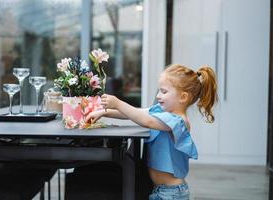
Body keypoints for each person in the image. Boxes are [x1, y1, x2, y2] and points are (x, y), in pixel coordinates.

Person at [86, 64, 218, 200]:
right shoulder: (162, 112)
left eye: (164, 92)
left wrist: (118, 103)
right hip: (160, 190)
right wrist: (103, 112)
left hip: (171, 193)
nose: (159, 96)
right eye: (159, 91)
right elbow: (133, 113)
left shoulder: (178, 121)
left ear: (183, 97)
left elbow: (146, 121)